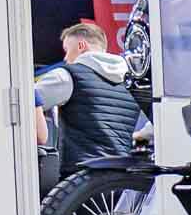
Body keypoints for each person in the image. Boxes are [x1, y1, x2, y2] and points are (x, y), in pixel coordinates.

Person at [34, 22, 139, 179]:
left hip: (80, 181)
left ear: (81, 46)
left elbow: (27, 100)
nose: (65, 58)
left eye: (67, 50)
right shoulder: (131, 83)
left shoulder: (67, 75)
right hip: (122, 181)